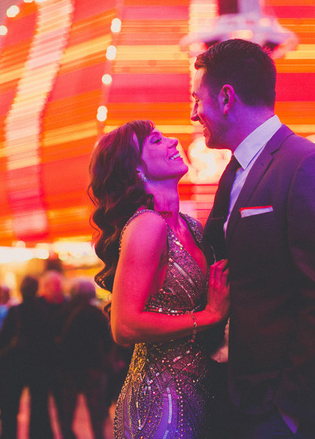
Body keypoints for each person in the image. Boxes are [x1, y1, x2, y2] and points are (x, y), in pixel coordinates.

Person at [192, 38, 315, 438]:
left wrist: (288, 411)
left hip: (278, 411)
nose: (193, 113)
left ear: (226, 98)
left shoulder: (306, 165)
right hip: (233, 396)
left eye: (198, 99)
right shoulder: (233, 173)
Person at [88, 119, 230, 438]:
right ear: (136, 170)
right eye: (155, 140)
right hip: (159, 404)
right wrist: (208, 316)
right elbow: (124, 326)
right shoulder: (147, 225)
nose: (172, 141)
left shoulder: (192, 227)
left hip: (201, 394)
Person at [0, 275, 57, 439]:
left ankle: (8, 435)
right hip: (39, 365)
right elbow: (50, 341)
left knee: (10, 410)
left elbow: (3, 339)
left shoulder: (15, 311)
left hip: (15, 364)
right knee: (39, 408)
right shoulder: (44, 311)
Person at [56, 278, 113, 439]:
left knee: (67, 411)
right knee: (97, 412)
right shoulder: (97, 314)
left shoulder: (65, 313)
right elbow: (108, 339)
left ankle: (67, 435)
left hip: (69, 368)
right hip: (94, 367)